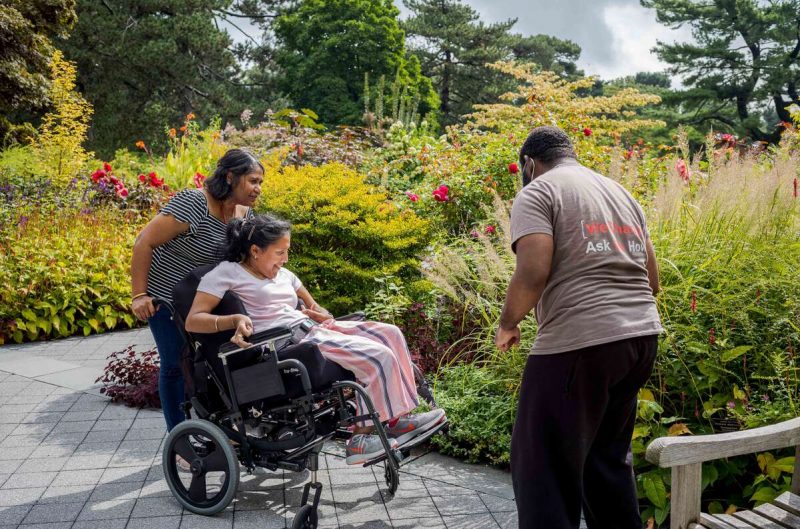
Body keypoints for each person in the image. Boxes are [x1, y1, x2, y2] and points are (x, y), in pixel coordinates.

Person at [494, 126, 662, 529]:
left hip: (580, 343)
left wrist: (508, 322)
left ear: (529, 163)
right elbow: (652, 280)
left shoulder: (537, 191)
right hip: (640, 338)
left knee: (542, 466)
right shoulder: (619, 192)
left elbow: (533, 270)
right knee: (606, 461)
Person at [184, 214, 446, 465]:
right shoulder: (227, 273)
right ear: (255, 251)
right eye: (279, 253)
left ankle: (396, 419)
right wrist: (233, 320)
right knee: (378, 357)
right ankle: (359, 440)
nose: (285, 259)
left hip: (313, 327)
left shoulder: (285, 276)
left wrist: (320, 313)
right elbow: (193, 320)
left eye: (287, 251)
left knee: (391, 333)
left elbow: (317, 308)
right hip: (285, 341)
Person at [131, 148, 264, 432]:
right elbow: (144, 242)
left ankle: (217, 427)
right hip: (165, 297)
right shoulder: (194, 203)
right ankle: (178, 435)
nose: (258, 189)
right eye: (253, 181)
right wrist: (139, 295)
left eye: (260, 183)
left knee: (214, 360)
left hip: (203, 296)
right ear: (230, 177)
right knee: (175, 364)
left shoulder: (244, 212)